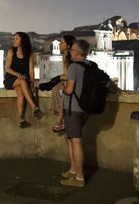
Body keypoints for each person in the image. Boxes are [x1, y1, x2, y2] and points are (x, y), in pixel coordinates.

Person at [60, 39, 121, 187]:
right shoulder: (91, 65)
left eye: (72, 49)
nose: (70, 52)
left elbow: (69, 90)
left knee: (75, 141)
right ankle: (73, 170)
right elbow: (106, 81)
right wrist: (118, 90)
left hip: (73, 108)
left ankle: (79, 178)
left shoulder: (74, 67)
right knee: (71, 139)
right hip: (85, 109)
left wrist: (62, 88)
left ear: (78, 52)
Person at [4, 32, 39, 128]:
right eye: (14, 38)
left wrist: (32, 84)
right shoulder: (11, 51)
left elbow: (31, 71)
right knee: (22, 81)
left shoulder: (30, 53)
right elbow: (7, 68)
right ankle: (33, 106)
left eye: (17, 39)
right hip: (11, 78)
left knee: (20, 91)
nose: (14, 40)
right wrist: (18, 75)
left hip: (24, 78)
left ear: (23, 41)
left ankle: (21, 119)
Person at [50, 35, 76, 132]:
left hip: (74, 83)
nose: (60, 45)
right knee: (57, 90)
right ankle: (63, 118)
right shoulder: (65, 57)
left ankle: (60, 119)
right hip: (68, 81)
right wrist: (62, 82)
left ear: (68, 46)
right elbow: (65, 73)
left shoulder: (74, 56)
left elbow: (70, 74)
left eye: (62, 43)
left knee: (64, 92)